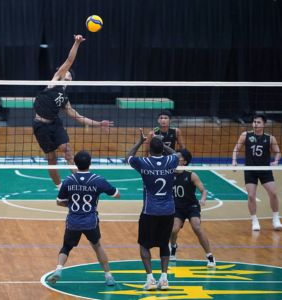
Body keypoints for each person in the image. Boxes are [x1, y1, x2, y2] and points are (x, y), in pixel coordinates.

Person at [33, 34, 113, 189]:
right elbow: (69, 61)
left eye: (67, 72)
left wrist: (98, 124)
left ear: (70, 78)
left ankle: (81, 183)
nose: (64, 70)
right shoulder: (55, 80)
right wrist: (76, 43)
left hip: (55, 123)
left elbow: (79, 117)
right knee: (52, 159)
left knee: (68, 151)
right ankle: (59, 187)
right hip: (40, 126)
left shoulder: (65, 100)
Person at [46, 150, 120, 286]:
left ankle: (58, 270)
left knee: (66, 247)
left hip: (73, 221)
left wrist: (73, 205)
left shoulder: (68, 181)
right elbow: (116, 194)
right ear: (90, 164)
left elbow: (59, 201)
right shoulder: (98, 180)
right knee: (97, 246)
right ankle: (108, 276)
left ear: (75, 163)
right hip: (90, 222)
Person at [126, 129, 181, 291]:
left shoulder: (143, 163)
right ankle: (164, 279)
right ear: (162, 149)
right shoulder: (171, 161)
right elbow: (177, 155)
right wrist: (164, 146)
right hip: (168, 211)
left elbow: (128, 157)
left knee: (144, 245)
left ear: (149, 149)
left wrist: (140, 142)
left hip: (150, 211)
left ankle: (150, 279)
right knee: (164, 244)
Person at [232, 114, 281, 231]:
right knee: (251, 196)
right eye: (254, 122)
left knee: (273, 193)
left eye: (258, 122)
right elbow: (236, 149)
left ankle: (275, 218)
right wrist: (234, 161)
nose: (255, 124)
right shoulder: (245, 135)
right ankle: (254, 220)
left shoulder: (270, 138)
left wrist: (276, 160)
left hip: (265, 170)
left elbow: (278, 152)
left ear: (264, 124)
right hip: (250, 170)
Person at [169, 149, 216, 268]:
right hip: (177, 207)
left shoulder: (191, 175)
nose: (175, 158)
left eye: (178, 157)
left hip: (191, 206)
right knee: (173, 230)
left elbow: (203, 190)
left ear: (184, 162)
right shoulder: (169, 173)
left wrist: (203, 199)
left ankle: (210, 256)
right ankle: (173, 247)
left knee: (196, 227)